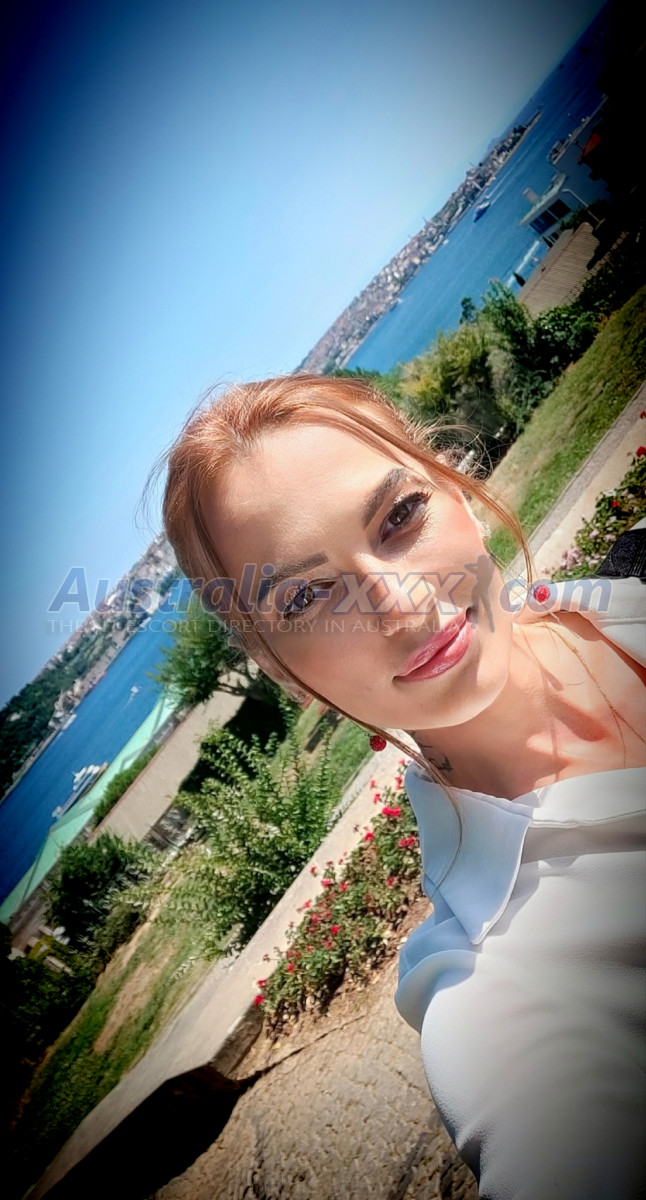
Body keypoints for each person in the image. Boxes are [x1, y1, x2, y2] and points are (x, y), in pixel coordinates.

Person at [154, 373, 645, 1199]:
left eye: (400, 516)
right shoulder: (498, 995)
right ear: (285, 673)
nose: (404, 607)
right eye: (308, 596)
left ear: (456, 491)